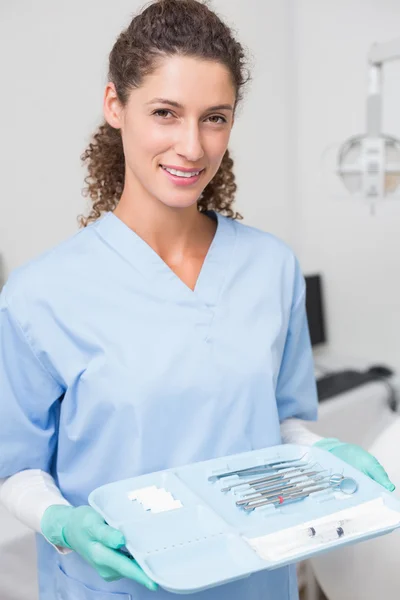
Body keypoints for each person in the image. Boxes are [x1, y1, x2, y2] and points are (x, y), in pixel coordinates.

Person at [0, 1, 395, 599]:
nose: (192, 145)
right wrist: (61, 523)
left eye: (215, 118)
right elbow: (18, 467)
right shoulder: (40, 296)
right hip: (120, 587)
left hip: (257, 580)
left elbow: (278, 425)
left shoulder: (270, 268)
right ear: (115, 106)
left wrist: (327, 454)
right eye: (165, 112)